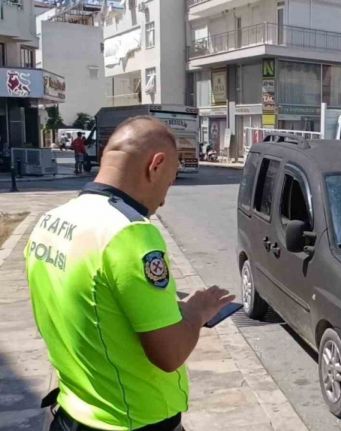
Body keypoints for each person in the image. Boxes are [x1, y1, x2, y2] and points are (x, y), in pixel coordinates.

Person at [25, 116, 234, 431]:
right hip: (131, 420)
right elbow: (169, 354)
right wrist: (197, 310)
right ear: (156, 165)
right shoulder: (129, 234)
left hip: (71, 412)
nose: (164, 198)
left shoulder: (50, 222)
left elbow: (89, 311)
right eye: (171, 179)